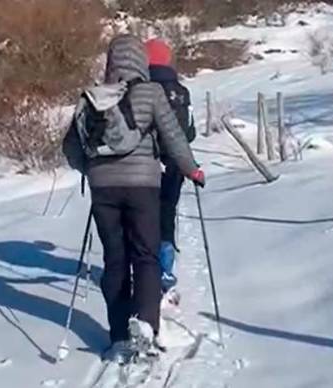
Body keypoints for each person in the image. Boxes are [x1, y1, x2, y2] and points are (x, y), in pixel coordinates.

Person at [63, 34, 205, 361]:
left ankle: (118, 336)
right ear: (141, 60)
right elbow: (174, 138)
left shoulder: (90, 98)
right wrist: (192, 170)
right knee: (145, 256)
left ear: (110, 61)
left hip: (103, 191)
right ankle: (146, 324)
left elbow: (70, 148)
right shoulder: (151, 93)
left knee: (115, 259)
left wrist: (92, 168)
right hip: (143, 187)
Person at [145, 39, 196, 294]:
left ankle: (143, 268)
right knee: (167, 213)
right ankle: (165, 268)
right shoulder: (182, 92)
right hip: (175, 163)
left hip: (145, 163)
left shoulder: (139, 90)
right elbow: (191, 133)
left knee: (142, 216)